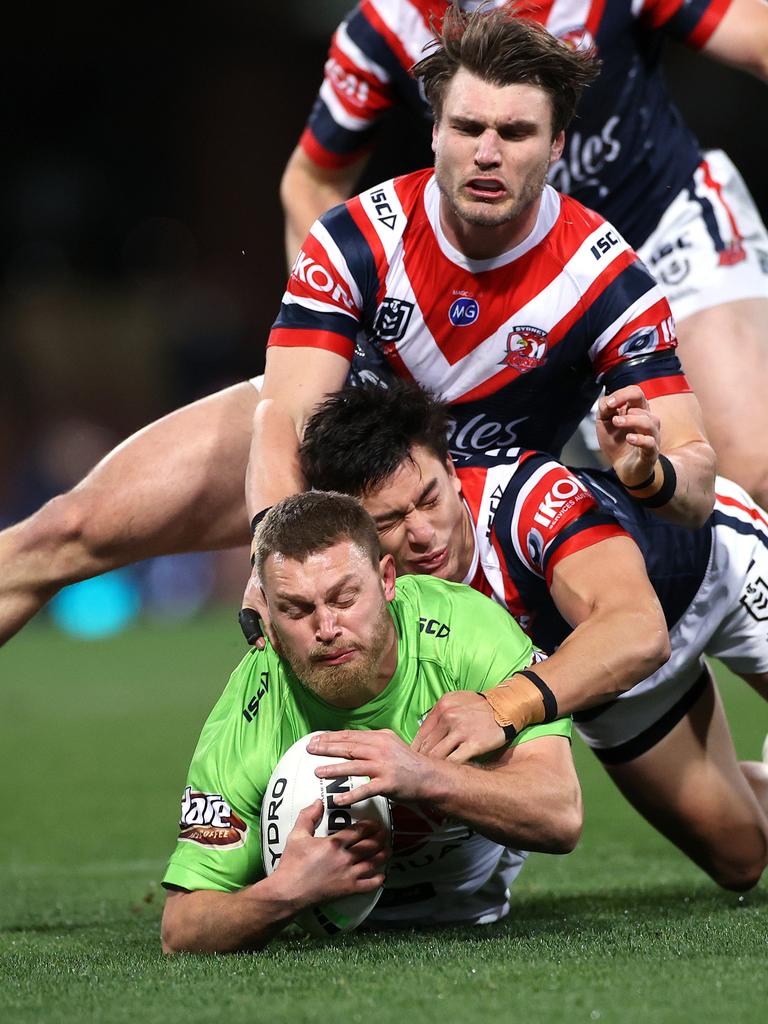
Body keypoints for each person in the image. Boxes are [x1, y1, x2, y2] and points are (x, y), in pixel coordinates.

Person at [0, 5, 716, 648]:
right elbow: (287, 418)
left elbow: (695, 485)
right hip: (334, 454)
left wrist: (649, 472)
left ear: (557, 145)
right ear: (434, 130)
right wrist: (273, 551)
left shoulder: (608, 280)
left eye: (515, 131)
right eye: (467, 128)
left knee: (696, 800)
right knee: (66, 530)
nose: (488, 152)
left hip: (468, 515)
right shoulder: (358, 238)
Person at [283, 0, 768, 504]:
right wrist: (327, 323)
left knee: (750, 473)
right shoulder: (385, 24)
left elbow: (759, 36)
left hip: (664, 227)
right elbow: (311, 180)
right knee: (415, 503)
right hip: (518, 280)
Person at [298, 379, 768, 891]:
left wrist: (502, 706)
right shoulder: (364, 579)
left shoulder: (525, 496)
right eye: (388, 521)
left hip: (718, 568)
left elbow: (639, 630)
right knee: (741, 859)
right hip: (607, 668)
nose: (423, 534)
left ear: (453, 471)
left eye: (429, 499)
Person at [160, 491, 580, 954]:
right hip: (323, 942)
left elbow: (560, 816)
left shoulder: (469, 631)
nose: (326, 628)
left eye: (344, 597)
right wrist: (285, 893)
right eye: (297, 611)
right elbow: (181, 929)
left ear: (386, 579)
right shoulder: (251, 708)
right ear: (270, 622)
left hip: (472, 911)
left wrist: (424, 777)